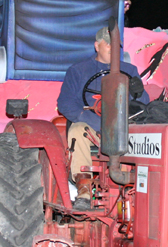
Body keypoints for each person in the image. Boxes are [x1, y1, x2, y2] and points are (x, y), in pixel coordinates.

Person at [56, 27, 149, 210]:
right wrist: (93, 121)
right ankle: (84, 191)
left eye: (115, 44)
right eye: (107, 43)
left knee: (147, 135)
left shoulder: (130, 70)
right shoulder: (78, 71)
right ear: (96, 45)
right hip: (92, 129)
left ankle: (141, 188)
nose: (111, 47)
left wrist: (139, 92)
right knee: (77, 130)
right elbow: (65, 103)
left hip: (123, 130)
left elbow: (144, 103)